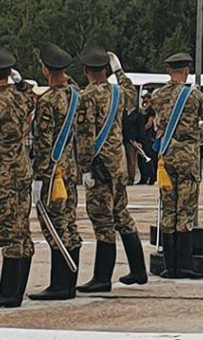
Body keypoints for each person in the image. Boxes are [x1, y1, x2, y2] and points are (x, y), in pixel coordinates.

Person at [75, 45, 146, 293]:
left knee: (103, 220)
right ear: (105, 69)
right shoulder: (117, 92)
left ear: (87, 71)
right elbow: (132, 92)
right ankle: (138, 269)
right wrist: (120, 71)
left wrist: (84, 167)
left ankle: (102, 277)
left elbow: (85, 136)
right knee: (122, 215)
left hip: (99, 166)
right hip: (117, 165)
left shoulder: (88, 97)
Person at [0, 44, 38, 310]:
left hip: (1, 172)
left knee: (8, 231)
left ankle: (8, 293)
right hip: (21, 170)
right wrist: (20, 81)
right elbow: (32, 95)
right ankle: (18, 290)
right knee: (21, 229)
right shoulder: (20, 98)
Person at [150, 52, 203, 279]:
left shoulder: (158, 95)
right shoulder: (194, 96)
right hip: (188, 157)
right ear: (187, 71)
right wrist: (196, 134)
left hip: (166, 156)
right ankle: (185, 265)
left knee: (168, 209)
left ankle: (170, 265)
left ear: (169, 71)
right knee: (186, 210)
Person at [30, 43, 83, 302]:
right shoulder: (74, 94)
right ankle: (68, 282)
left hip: (53, 173)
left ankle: (60, 284)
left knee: (54, 224)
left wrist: (39, 176)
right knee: (69, 222)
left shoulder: (49, 100)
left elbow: (43, 142)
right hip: (70, 167)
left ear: (45, 69)